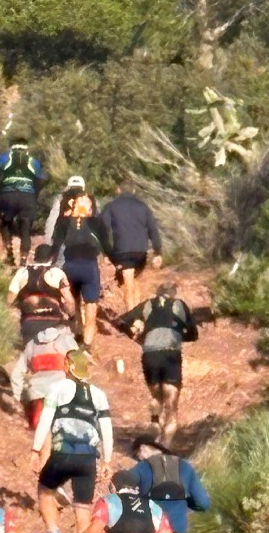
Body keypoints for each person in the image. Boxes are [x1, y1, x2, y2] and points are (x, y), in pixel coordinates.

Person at [30, 349, 113, 533]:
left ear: (67, 366)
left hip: (62, 454)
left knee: (45, 492)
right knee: (83, 514)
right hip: (88, 459)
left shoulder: (57, 388)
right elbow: (106, 430)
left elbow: (45, 420)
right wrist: (107, 460)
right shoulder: (99, 395)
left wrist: (36, 450)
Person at [118, 280, 198, 443]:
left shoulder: (147, 304)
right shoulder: (179, 305)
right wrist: (179, 334)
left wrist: (135, 336)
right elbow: (194, 334)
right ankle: (165, 447)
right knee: (171, 402)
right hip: (171, 354)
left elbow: (122, 321)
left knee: (156, 396)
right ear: (173, 293)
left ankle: (155, 423)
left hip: (150, 353)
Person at [51, 191, 109, 356]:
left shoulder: (64, 221)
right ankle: (87, 344)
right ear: (90, 209)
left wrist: (51, 263)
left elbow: (55, 245)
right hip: (89, 267)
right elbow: (107, 245)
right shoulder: (96, 222)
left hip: (70, 266)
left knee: (75, 301)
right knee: (91, 305)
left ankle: (76, 331)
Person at [101, 180, 162, 311]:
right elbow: (153, 229)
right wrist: (158, 251)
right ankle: (138, 313)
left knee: (128, 284)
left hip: (123, 250)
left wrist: (105, 252)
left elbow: (103, 229)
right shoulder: (143, 207)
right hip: (141, 251)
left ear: (118, 190)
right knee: (134, 282)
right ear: (134, 191)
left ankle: (132, 316)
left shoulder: (111, 206)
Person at [10, 324, 79, 430]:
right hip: (60, 391)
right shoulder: (66, 340)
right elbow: (79, 366)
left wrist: (19, 397)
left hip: (36, 393)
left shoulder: (32, 344)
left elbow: (16, 373)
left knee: (38, 426)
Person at [0, 137, 46, 265]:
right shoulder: (33, 162)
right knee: (25, 228)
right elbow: (41, 180)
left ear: (12, 146)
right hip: (27, 197)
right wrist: (34, 195)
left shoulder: (4, 158)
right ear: (27, 147)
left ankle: (9, 254)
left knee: (5, 223)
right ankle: (23, 259)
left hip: (7, 195)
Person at [6, 243, 75, 345]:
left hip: (29, 322)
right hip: (54, 322)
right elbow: (69, 300)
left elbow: (9, 299)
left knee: (29, 355)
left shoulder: (22, 272)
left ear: (35, 257)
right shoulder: (56, 273)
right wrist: (73, 317)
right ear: (51, 258)